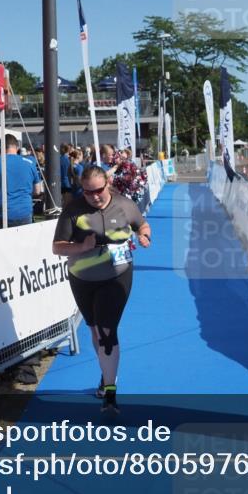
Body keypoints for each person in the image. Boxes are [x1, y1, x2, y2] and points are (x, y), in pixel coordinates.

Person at [53, 166, 152, 412]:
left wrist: (144, 237)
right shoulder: (73, 210)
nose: (94, 196)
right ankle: (107, 375)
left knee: (107, 330)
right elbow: (57, 247)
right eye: (88, 192)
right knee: (95, 331)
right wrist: (81, 247)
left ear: (107, 183)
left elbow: (142, 225)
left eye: (98, 190)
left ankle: (110, 394)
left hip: (117, 276)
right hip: (82, 279)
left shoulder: (124, 204)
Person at [0, 134, 42, 230]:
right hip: (24, 213)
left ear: (1, 147)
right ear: (17, 147)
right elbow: (37, 191)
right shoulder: (30, 162)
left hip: (0, 215)